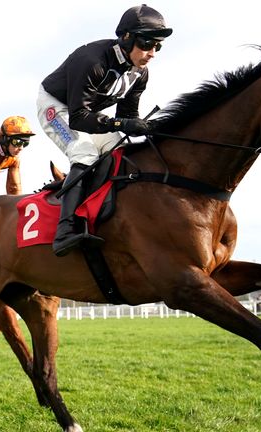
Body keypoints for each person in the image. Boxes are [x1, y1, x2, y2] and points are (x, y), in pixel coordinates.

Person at [36, 4, 172, 256]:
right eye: (147, 44)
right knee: (84, 151)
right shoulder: (92, 60)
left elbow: (127, 117)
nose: (152, 53)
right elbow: (78, 118)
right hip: (57, 107)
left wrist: (149, 128)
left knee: (118, 150)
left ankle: (105, 215)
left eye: (158, 46)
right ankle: (65, 231)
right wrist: (121, 124)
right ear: (126, 38)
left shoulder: (140, 73)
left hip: (86, 113)